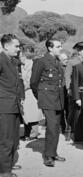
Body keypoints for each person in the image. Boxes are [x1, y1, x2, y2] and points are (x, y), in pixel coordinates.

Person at [30, 38, 66, 167]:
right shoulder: (41, 61)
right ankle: (48, 156)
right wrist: (40, 97)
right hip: (47, 99)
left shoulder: (58, 62)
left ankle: (53, 152)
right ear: (50, 48)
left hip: (58, 99)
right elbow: (34, 82)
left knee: (55, 127)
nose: (60, 48)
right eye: (58, 46)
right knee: (51, 126)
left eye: (60, 46)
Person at [0, 34, 24, 177]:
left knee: (14, 139)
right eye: (16, 46)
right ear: (7, 46)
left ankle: (8, 165)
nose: (18, 49)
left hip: (13, 105)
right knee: (5, 140)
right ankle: (4, 171)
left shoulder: (12, 61)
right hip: (4, 105)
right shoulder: (1, 59)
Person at [65, 42, 83, 133]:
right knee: (72, 110)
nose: (82, 52)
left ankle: (81, 129)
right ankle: (69, 129)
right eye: (81, 50)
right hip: (74, 89)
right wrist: (68, 89)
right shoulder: (72, 61)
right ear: (77, 51)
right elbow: (67, 76)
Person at [20, 51, 42, 141]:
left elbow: (31, 79)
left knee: (33, 114)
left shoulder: (32, 65)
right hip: (24, 91)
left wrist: (25, 87)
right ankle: (27, 133)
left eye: (20, 56)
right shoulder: (21, 65)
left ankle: (33, 134)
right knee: (26, 114)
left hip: (31, 91)